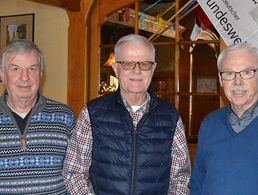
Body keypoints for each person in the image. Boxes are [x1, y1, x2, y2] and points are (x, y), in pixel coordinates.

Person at [63, 34, 191, 194]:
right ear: (116, 68)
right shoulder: (92, 113)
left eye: (144, 64)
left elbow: (181, 177)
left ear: (153, 69)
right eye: (128, 63)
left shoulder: (170, 116)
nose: (137, 70)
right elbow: (74, 172)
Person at [0, 39, 75, 194]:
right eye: (15, 69)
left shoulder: (64, 117)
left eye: (32, 69)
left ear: (41, 74)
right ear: (3, 75)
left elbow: (77, 173)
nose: (25, 77)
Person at [189, 43, 258, 194]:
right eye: (229, 73)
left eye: (246, 72)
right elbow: (196, 183)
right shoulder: (209, 123)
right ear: (220, 79)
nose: (237, 82)